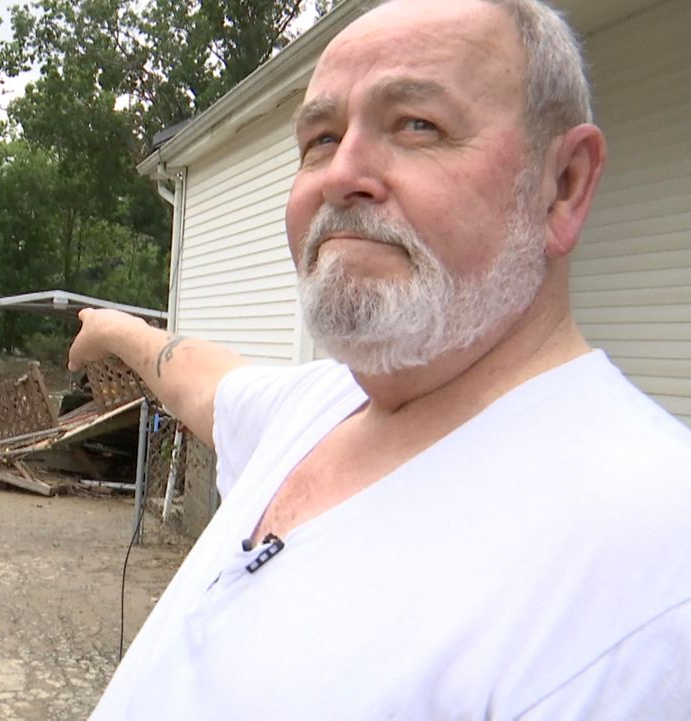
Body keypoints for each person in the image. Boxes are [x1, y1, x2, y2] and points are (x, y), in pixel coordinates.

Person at [68, 0, 691, 718]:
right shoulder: (325, 405)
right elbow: (202, 379)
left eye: (416, 125)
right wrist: (113, 327)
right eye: (321, 138)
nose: (343, 173)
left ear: (564, 186)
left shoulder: (648, 573)